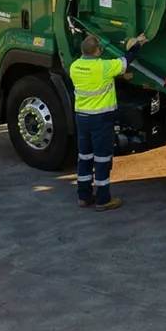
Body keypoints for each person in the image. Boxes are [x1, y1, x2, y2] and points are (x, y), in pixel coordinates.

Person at [69, 31, 145, 211]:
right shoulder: (104, 67)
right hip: (100, 120)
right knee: (102, 160)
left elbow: (97, 78)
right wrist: (139, 43)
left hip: (81, 118)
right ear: (97, 52)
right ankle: (103, 200)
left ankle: (83, 196)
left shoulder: (74, 66)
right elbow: (126, 59)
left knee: (84, 157)